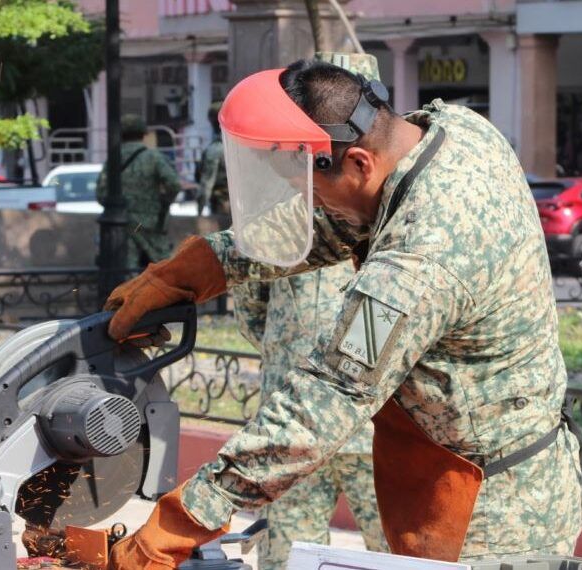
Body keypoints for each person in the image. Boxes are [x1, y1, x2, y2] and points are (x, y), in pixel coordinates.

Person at [103, 56, 582, 569]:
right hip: (478, 470)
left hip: (494, 516)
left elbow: (326, 398)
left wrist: (185, 521)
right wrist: (199, 267)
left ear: (358, 162)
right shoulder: (452, 129)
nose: (310, 207)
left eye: (314, 194)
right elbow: (340, 226)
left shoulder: (416, 268)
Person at [229, 54, 388, 570]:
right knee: (286, 555)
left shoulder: (390, 205)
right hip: (292, 415)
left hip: (372, 422)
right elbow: (251, 295)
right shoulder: (278, 208)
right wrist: (284, 350)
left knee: (399, 552)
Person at [96, 114, 182, 269]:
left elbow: (100, 193)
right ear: (143, 134)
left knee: (127, 274)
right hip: (150, 224)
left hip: (121, 225)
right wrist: (163, 203)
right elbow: (174, 185)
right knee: (165, 271)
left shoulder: (113, 160)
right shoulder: (154, 157)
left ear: (121, 135)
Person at [197, 101, 228, 217]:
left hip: (223, 207)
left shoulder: (215, 150)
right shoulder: (245, 147)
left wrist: (198, 214)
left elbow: (206, 184)